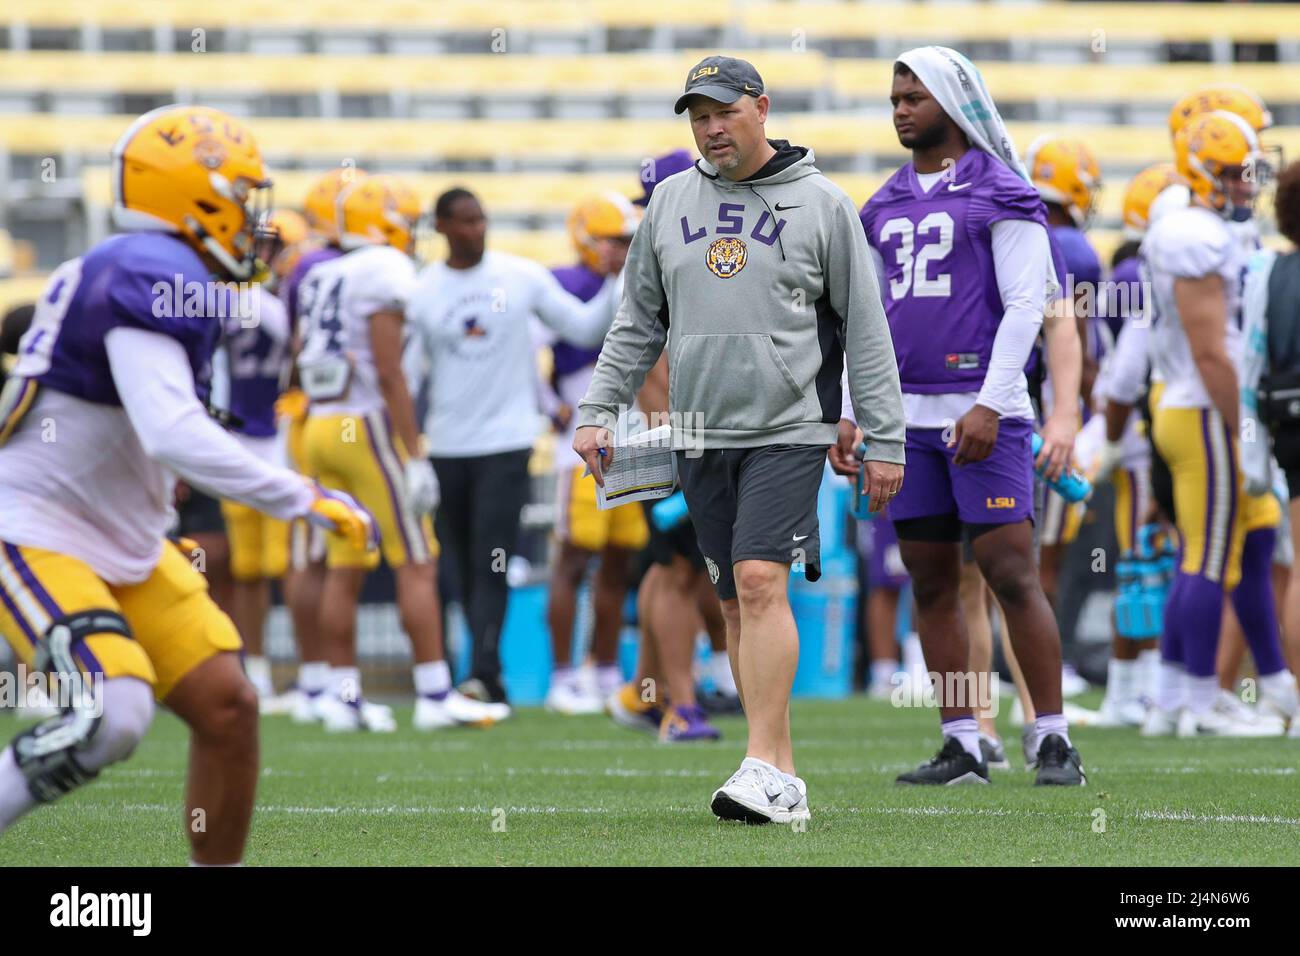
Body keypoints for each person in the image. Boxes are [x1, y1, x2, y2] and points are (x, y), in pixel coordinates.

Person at [0, 105, 373, 864]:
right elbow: (172, 428)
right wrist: (303, 495)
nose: (251, 217)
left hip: (123, 539)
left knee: (230, 707)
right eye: (240, 197)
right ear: (194, 196)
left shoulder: (162, 270)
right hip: (34, 525)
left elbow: (143, 425)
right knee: (115, 712)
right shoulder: (150, 269)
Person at [574, 55, 905, 824]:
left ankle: (757, 763)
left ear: (761, 107)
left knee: (760, 582)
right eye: (697, 115)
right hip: (696, 432)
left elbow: (867, 329)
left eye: (724, 111)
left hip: (788, 428)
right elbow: (636, 322)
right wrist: (599, 409)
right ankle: (781, 774)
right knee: (729, 603)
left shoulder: (824, 203)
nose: (710, 127)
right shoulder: (667, 203)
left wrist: (885, 438)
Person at [848, 48, 1085, 786]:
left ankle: (1051, 736)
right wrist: (854, 412)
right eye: (895, 96)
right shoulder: (881, 203)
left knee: (1012, 572)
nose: (900, 109)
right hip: (905, 420)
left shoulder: (1003, 192)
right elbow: (867, 318)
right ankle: (963, 739)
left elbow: (1028, 306)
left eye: (914, 95)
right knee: (928, 579)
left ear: (953, 102)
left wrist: (989, 400)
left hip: (990, 414)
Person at [298, 175, 505, 732]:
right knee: (416, 559)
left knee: (345, 563)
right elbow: (390, 371)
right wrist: (413, 455)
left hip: (318, 425)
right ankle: (436, 695)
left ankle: (342, 698)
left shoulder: (322, 271)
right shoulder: (383, 269)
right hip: (364, 425)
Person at [404, 187, 622, 707]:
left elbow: (587, 326)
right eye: (465, 222)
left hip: (507, 443)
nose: (477, 230)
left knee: (493, 560)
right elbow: (406, 378)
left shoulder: (520, 275)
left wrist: (618, 276)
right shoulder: (423, 290)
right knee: (452, 567)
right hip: (447, 447)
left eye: (482, 220)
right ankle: (467, 671)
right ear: (441, 227)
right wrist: (411, 454)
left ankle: (484, 671)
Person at [1143, 111, 1291, 738]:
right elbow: (1210, 352)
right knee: (1204, 555)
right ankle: (1196, 704)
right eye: (1233, 174)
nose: (1245, 186)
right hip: (1204, 406)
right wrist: (1247, 428)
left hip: (1195, 403)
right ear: (1201, 172)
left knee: (1256, 540)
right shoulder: (1190, 232)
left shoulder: (1204, 229)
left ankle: (1266, 687)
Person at [544, 193, 646, 715]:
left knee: (619, 562)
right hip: (581, 440)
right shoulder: (565, 283)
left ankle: (604, 670)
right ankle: (562, 677)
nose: (622, 250)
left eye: (628, 241)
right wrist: (552, 406)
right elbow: (529, 348)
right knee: (573, 559)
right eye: (615, 240)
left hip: (631, 433)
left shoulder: (637, 279)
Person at [276, 167, 367, 722]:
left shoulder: (309, 266)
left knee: (315, 548)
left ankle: (318, 682)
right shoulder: (332, 264)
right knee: (328, 549)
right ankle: (326, 684)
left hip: (313, 414)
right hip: (336, 413)